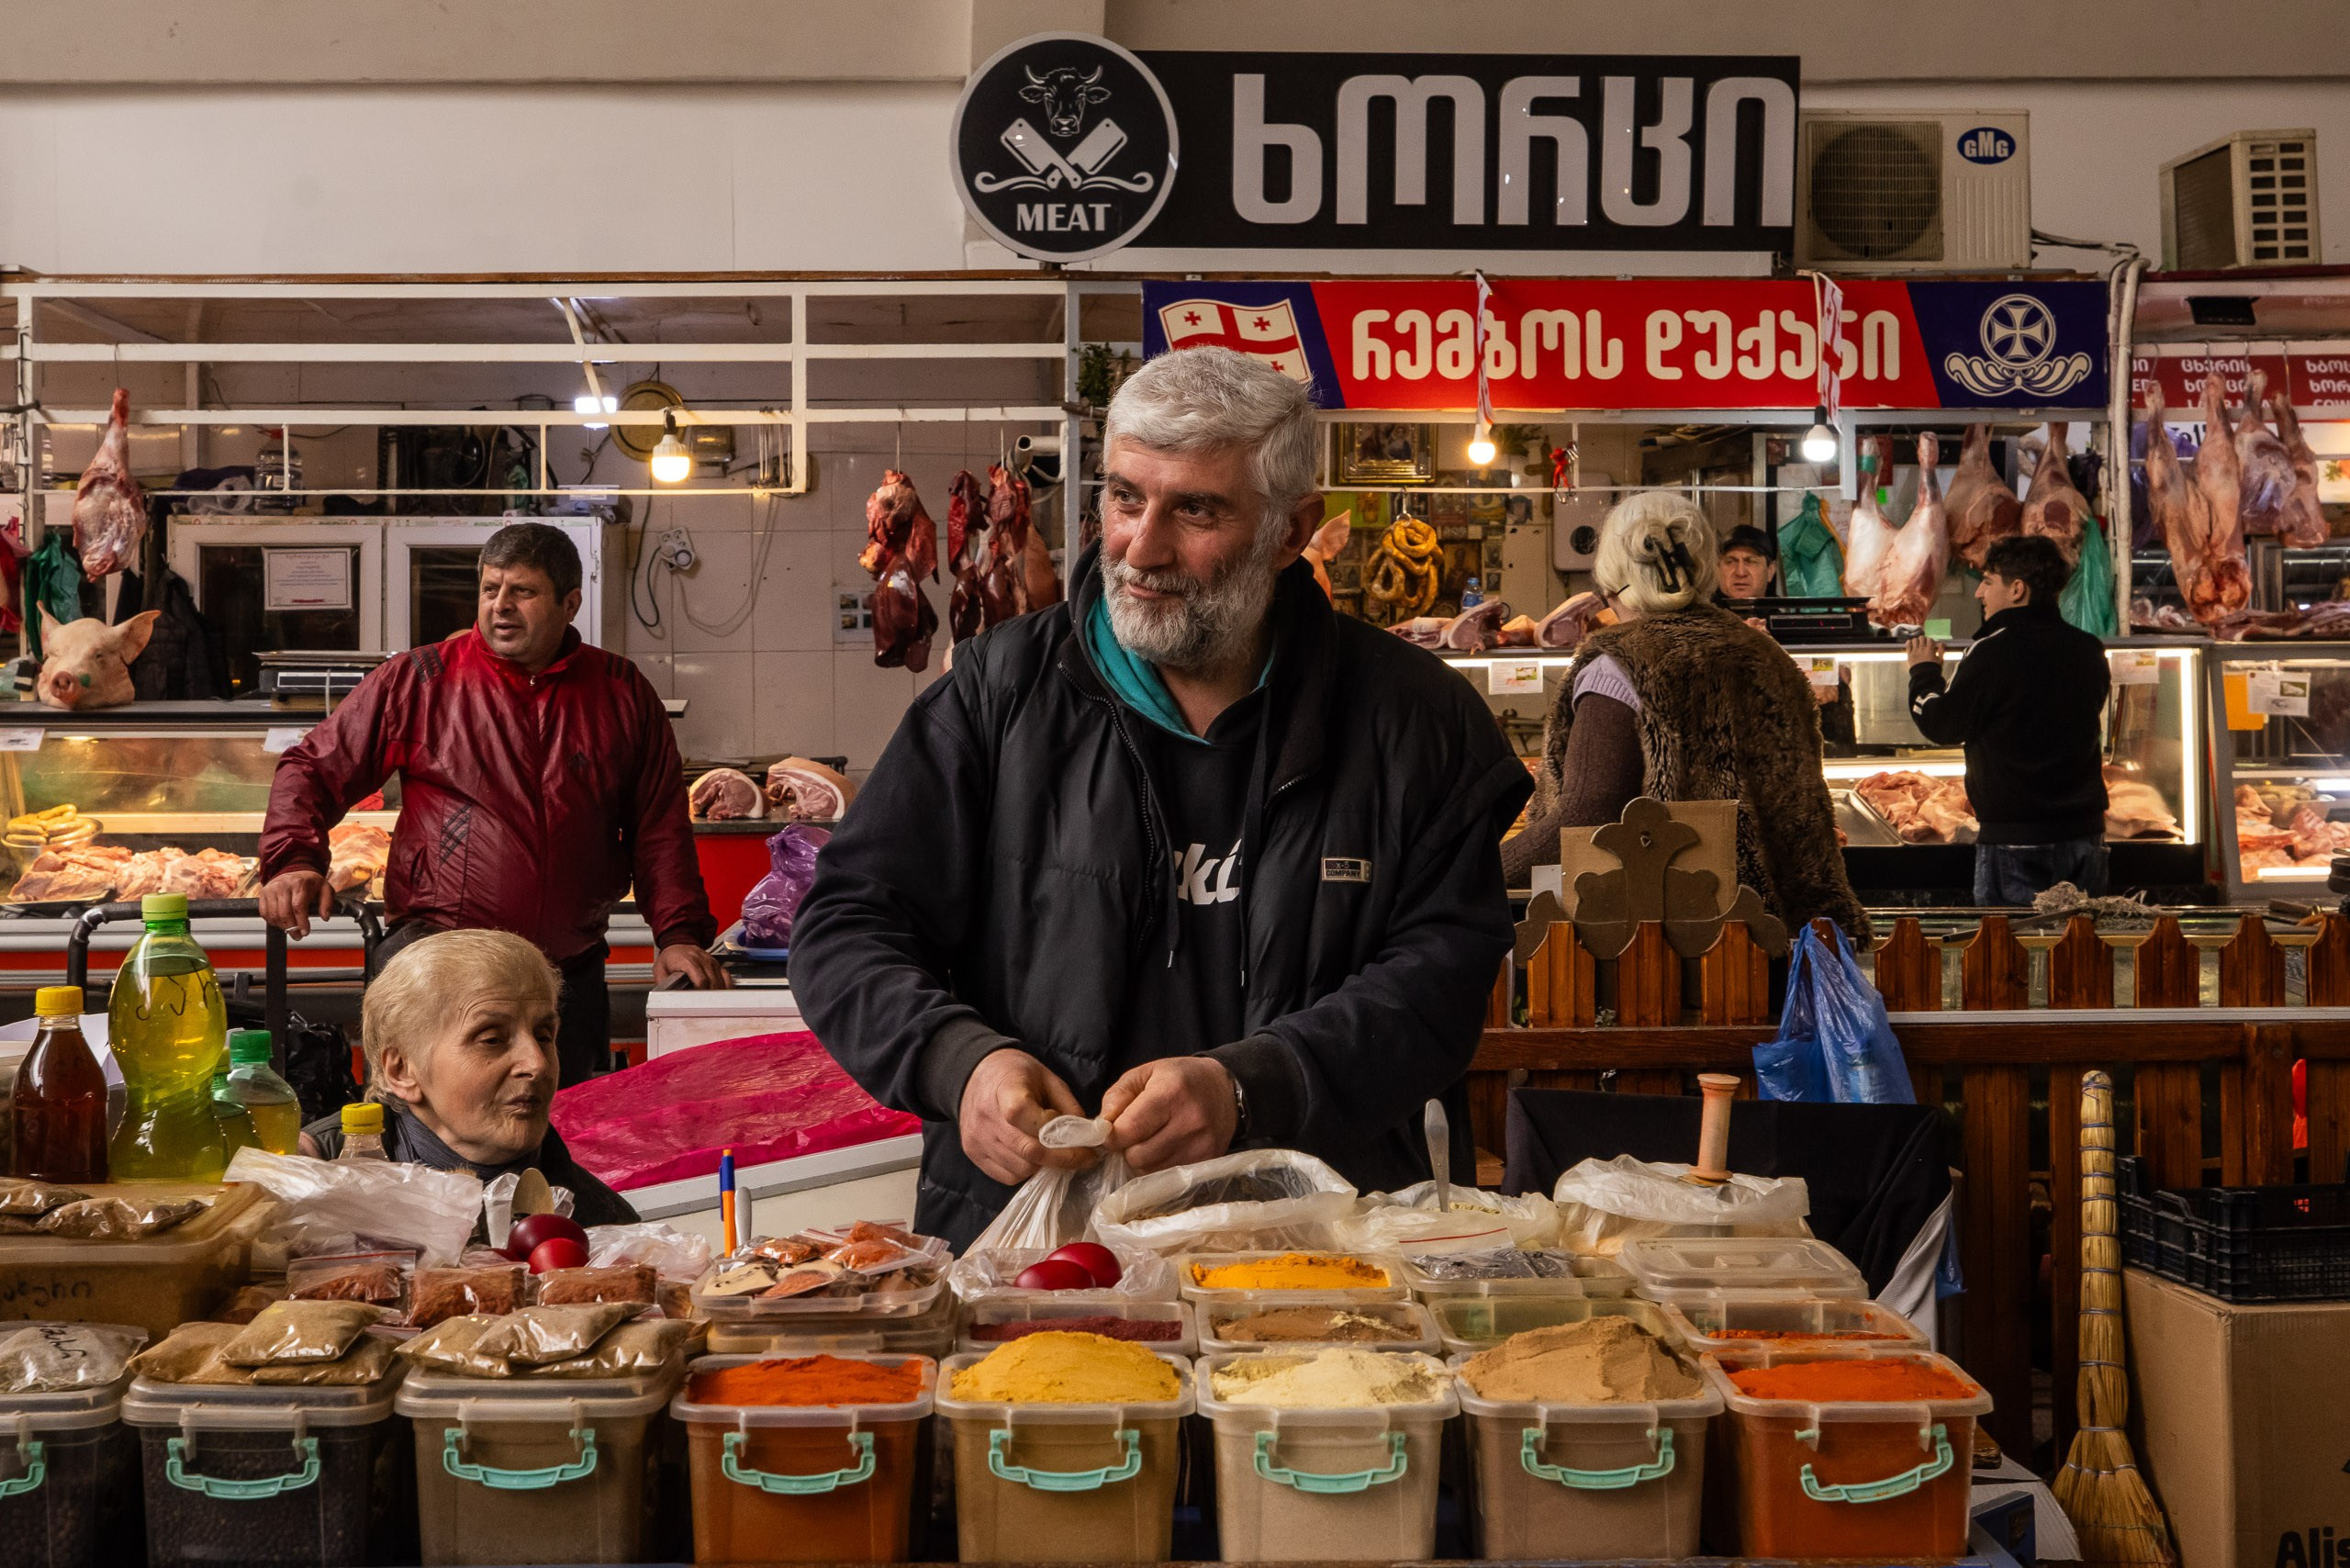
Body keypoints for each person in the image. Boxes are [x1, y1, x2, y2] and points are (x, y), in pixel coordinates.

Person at [789, 347, 1531, 1249]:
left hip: (1319, 1256)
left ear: (1292, 530)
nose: (1140, 548)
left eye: (1197, 509)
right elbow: (847, 924)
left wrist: (1256, 1085)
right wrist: (960, 1062)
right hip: (1039, 1255)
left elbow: (1442, 982)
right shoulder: (996, 699)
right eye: (1125, 497)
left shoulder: (1415, 721)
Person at [259, 522, 722, 1086]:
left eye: (522, 592)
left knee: (563, 1139)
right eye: (489, 589)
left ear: (569, 603)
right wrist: (293, 860)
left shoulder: (621, 692)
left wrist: (678, 936)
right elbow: (310, 767)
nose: (500, 606)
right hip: (439, 969)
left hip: (565, 976)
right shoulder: (420, 679)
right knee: (429, 1145)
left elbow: (659, 830)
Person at [1502, 491, 1867, 943]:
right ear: (1704, 564)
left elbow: (1587, 813)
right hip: (1775, 935)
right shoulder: (1767, 656)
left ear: (1613, 571)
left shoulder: (1617, 665)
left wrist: (1479, 873)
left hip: (1668, 945)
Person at [297, 928, 636, 1225]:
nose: (537, 1064)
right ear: (402, 1071)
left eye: (544, 1036)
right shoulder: (307, 1183)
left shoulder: (600, 1226)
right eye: (491, 1039)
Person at [1906, 534, 2111, 904]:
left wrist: (1923, 673)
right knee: (2081, 953)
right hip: (2085, 837)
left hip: (2016, 841)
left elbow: (1942, 724)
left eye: (1987, 581)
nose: (1978, 594)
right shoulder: (2088, 648)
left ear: (2017, 589)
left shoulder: (1992, 650)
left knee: (2010, 953)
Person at [1714, 524, 1778, 603]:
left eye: (1751, 562)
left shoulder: (1786, 614)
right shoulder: (1700, 613)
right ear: (1717, 568)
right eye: (1730, 562)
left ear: (1770, 571)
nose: (1740, 573)